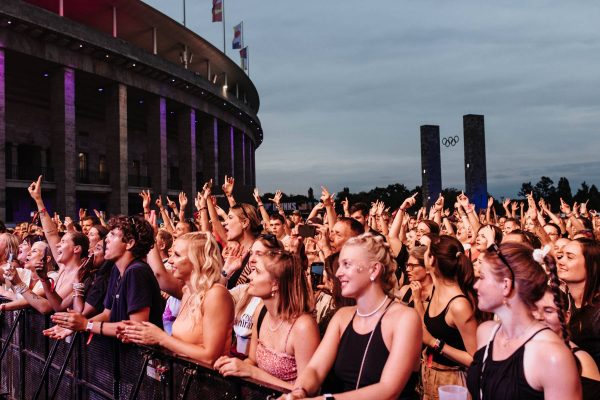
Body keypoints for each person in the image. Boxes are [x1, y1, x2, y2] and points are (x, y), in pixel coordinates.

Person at [283, 233, 421, 399]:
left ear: (374, 270)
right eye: (339, 265)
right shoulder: (342, 317)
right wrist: (299, 392)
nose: (338, 273)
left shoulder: (405, 318)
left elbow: (389, 390)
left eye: (346, 264)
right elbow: (315, 369)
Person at [467, 242, 581, 399]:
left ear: (506, 285)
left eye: (483, 277)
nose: (476, 285)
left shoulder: (552, 356)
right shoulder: (486, 332)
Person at [214, 235, 319, 389]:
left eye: (256, 272)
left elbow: (306, 392)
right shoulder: (262, 312)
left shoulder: (303, 326)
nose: (249, 276)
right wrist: (233, 366)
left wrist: (252, 372)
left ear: (276, 283)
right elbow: (252, 361)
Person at [118, 232, 234, 365]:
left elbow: (210, 356)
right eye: (171, 253)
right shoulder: (187, 293)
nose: (171, 260)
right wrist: (144, 337)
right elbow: (180, 345)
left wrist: (161, 338)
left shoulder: (216, 294)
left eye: (177, 255)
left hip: (210, 383)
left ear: (198, 260)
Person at [51, 216, 164, 338]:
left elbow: (137, 327)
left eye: (113, 235)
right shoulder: (116, 270)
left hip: (139, 356)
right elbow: (107, 314)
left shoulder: (137, 272)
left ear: (129, 243)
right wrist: (74, 326)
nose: (107, 240)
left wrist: (86, 325)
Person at [421, 235, 478, 400]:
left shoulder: (459, 305)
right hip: (431, 375)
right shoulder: (435, 290)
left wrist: (434, 342)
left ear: (431, 260)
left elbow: (475, 359)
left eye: (426, 251)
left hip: (454, 384)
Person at [558, 238, 600, 366]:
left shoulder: (597, 312)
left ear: (591, 265)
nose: (560, 261)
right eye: (560, 256)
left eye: (570, 257)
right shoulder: (562, 300)